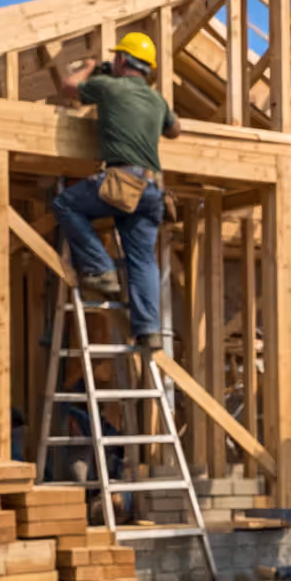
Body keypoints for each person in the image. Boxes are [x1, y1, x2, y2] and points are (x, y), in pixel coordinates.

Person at [50, 32, 181, 351]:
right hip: (151, 190)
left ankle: (101, 269)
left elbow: (68, 86)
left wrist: (90, 66)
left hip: (122, 181)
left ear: (121, 60)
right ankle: (148, 329)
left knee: (66, 204)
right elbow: (175, 130)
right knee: (142, 259)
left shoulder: (108, 87)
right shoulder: (156, 99)